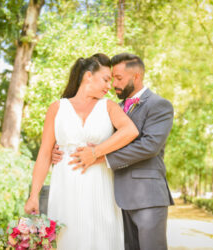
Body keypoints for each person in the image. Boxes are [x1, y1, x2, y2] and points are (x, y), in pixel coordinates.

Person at [53, 53, 174, 250]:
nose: (113, 84)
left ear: (136, 76)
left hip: (147, 197)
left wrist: (101, 156)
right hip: (116, 198)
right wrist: (58, 151)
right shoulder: (110, 108)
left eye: (118, 78)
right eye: (110, 78)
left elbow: (150, 146)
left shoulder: (159, 105)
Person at [24, 53, 139, 250]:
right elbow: (44, 153)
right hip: (65, 188)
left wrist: (97, 152)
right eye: (105, 79)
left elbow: (130, 131)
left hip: (100, 188)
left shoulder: (108, 106)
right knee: (67, 238)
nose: (109, 86)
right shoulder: (57, 108)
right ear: (88, 76)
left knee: (102, 240)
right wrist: (34, 195)